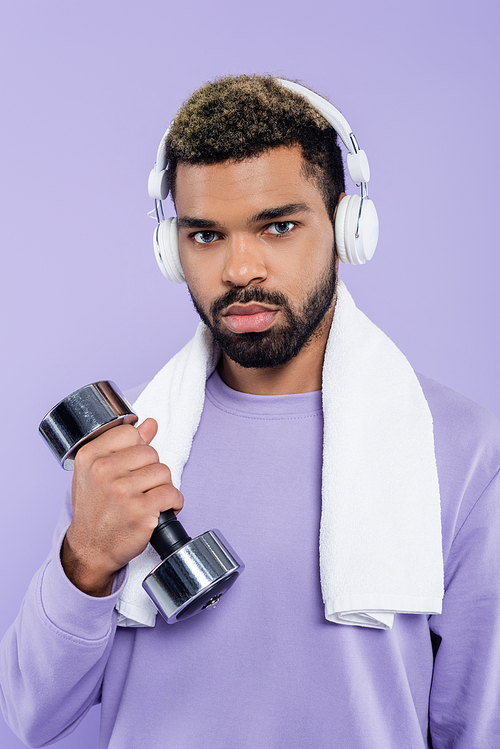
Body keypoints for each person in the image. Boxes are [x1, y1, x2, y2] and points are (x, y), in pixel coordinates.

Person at [1, 74, 500, 749]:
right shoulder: (133, 450)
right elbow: (23, 717)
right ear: (169, 247)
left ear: (348, 225)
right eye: (206, 236)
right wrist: (84, 557)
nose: (240, 268)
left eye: (279, 226)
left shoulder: (461, 451)